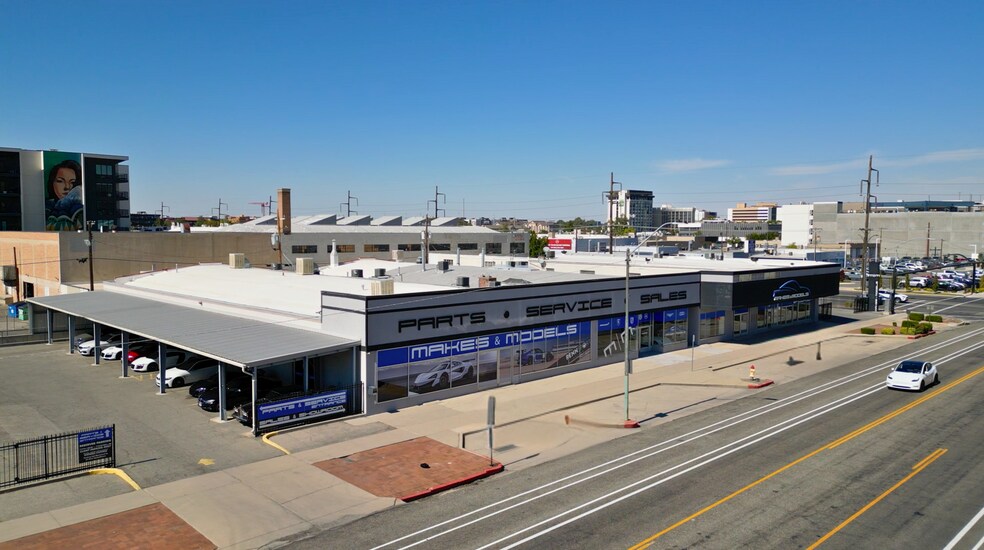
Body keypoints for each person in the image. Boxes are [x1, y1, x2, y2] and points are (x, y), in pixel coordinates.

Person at [45, 159, 83, 230]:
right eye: (60, 181)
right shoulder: (46, 207)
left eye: (72, 182)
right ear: (52, 183)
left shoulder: (79, 208)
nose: (67, 187)